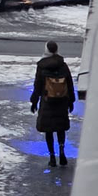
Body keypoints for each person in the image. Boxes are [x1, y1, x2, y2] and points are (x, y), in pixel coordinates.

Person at [31, 40, 76, 168]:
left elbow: (37, 85)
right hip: (62, 101)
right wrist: (71, 100)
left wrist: (34, 101)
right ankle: (62, 151)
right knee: (60, 128)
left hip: (47, 101)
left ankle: (52, 157)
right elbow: (69, 83)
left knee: (48, 130)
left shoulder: (42, 65)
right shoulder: (63, 65)